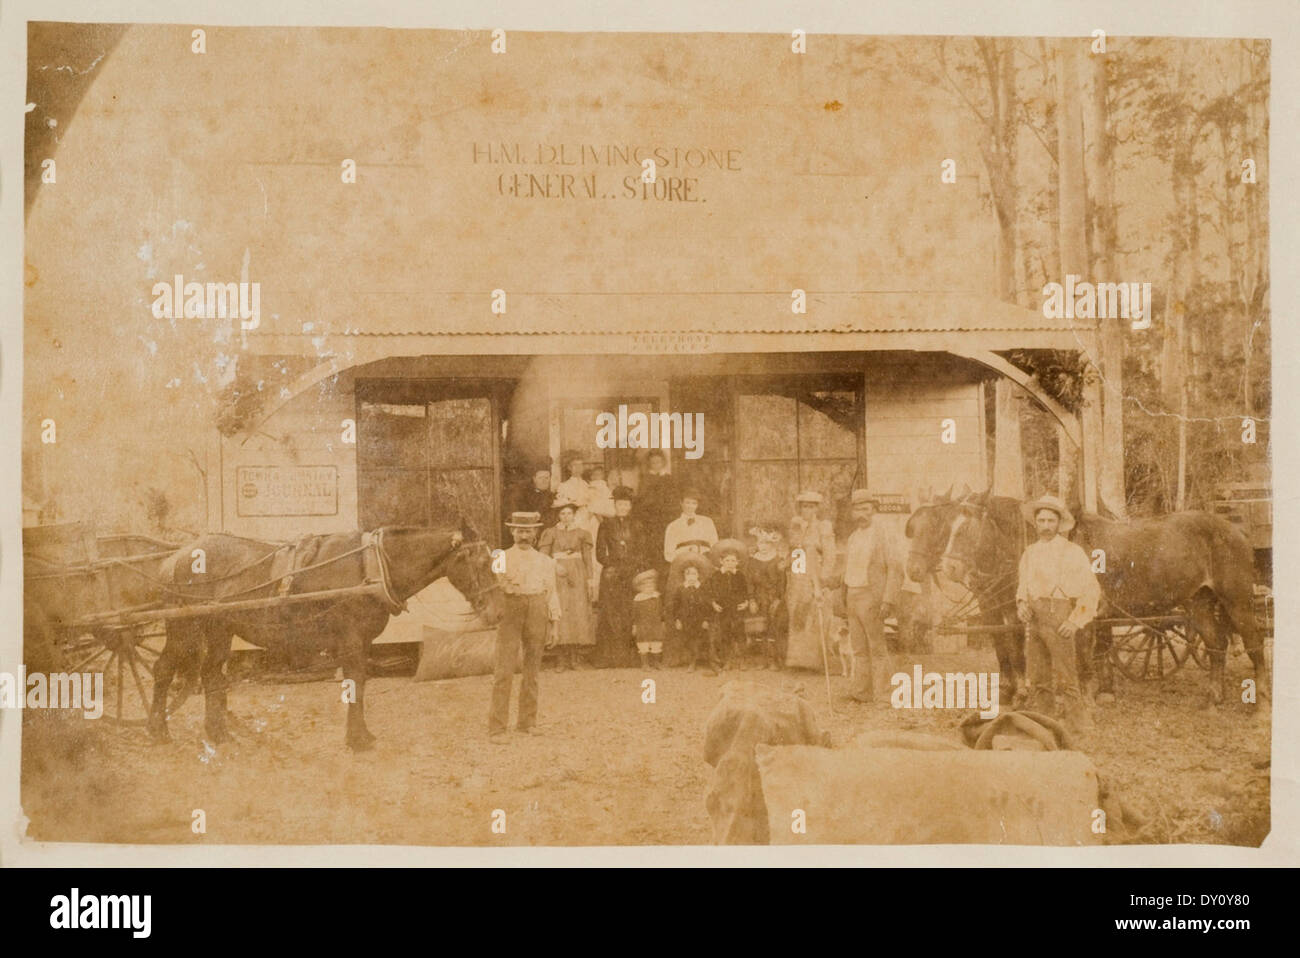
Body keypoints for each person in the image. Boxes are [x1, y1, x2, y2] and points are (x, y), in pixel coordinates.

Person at [1015, 495, 1101, 735]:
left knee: (1066, 676)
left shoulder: (1072, 552)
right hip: (1034, 617)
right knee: (1039, 675)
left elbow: (1091, 590)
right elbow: (1023, 585)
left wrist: (1075, 620)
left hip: (1059, 615)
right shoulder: (1029, 553)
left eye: (1050, 521)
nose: (1045, 525)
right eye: (1041, 520)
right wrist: (1021, 603)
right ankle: (1044, 721)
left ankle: (1079, 723)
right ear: (1036, 523)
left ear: (1059, 523)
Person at [489, 512, 561, 744]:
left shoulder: (545, 561)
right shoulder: (500, 556)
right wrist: (505, 586)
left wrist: (555, 625)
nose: (524, 535)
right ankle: (497, 728)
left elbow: (552, 593)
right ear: (512, 532)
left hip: (537, 608)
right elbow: (493, 586)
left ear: (535, 533)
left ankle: (527, 722)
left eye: (528, 531)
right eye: (519, 530)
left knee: (532, 669)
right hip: (511, 610)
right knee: (504, 668)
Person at [840, 490, 903, 704]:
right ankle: (861, 692)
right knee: (858, 648)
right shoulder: (852, 537)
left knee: (876, 647)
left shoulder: (883, 535)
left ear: (873, 510)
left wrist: (888, 599)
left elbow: (895, 568)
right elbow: (846, 569)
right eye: (857, 509)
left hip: (871, 596)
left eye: (865, 509)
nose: (861, 514)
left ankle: (884, 693)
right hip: (852, 595)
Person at [539, 499, 595, 670]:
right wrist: (555, 566)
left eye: (569, 513)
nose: (566, 517)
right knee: (561, 612)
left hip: (578, 575)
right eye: (562, 513)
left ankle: (575, 657)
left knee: (577, 613)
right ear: (558, 515)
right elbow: (543, 556)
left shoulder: (582, 533)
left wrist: (590, 581)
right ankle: (561, 658)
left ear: (574, 515)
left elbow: (587, 559)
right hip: (558, 575)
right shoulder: (551, 533)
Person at [785, 490, 838, 670]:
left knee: (814, 614)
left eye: (811, 507)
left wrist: (823, 579)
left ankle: (815, 661)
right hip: (796, 576)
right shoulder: (796, 526)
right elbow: (792, 551)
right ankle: (797, 661)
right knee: (797, 613)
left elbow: (830, 554)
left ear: (817, 509)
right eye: (804, 507)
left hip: (814, 575)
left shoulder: (823, 527)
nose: (807, 510)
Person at [595, 486, 643, 667]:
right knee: (610, 612)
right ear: (615, 505)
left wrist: (632, 565)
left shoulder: (637, 525)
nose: (623, 507)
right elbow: (600, 552)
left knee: (628, 611)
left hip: (630, 572)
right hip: (612, 573)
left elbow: (641, 550)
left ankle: (628, 658)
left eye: (626, 504)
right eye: (619, 504)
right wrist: (611, 564)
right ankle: (608, 658)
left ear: (630, 506)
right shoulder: (605, 524)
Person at [746, 520, 788, 670]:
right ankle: (763, 659)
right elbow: (749, 582)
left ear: (772, 545)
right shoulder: (753, 561)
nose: (763, 547)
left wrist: (778, 599)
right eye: (761, 543)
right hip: (759, 598)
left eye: (767, 544)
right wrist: (751, 599)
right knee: (760, 628)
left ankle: (775, 660)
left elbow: (782, 583)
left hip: (774, 598)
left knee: (774, 628)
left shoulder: (778, 560)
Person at [668, 559, 719, 674]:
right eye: (688, 574)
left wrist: (706, 620)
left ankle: (711, 663)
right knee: (690, 641)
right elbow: (676, 606)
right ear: (684, 576)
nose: (691, 577)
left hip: (700, 620)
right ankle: (693, 662)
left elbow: (708, 606)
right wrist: (677, 620)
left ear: (698, 576)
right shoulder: (680, 589)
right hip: (686, 620)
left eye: (694, 574)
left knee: (705, 640)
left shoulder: (703, 588)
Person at [709, 540, 752, 670]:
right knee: (725, 635)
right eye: (727, 561)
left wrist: (746, 602)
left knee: (740, 634)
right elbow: (710, 591)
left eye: (733, 561)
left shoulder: (740, 576)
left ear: (737, 562)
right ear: (721, 561)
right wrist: (713, 603)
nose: (730, 563)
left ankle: (742, 660)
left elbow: (745, 591)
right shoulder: (716, 576)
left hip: (737, 608)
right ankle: (727, 660)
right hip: (723, 609)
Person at [637, 450, 678, 557]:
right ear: (649, 464)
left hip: (666, 514)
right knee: (653, 541)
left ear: (663, 463)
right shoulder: (646, 479)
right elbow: (642, 498)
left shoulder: (668, 478)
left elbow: (673, 496)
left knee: (667, 539)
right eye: (653, 463)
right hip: (651, 516)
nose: (656, 465)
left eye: (658, 462)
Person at [663, 488, 719, 563]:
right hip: (683, 562)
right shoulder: (673, 526)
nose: (690, 506)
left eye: (694, 503)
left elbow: (715, 545)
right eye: (687, 502)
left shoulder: (707, 522)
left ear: (697, 505)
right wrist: (683, 558)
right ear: (681, 503)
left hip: (705, 560)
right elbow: (668, 554)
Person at [631, 569, 666, 669]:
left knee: (656, 644)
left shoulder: (656, 597)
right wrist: (634, 626)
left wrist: (662, 622)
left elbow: (661, 611)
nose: (649, 588)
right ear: (640, 588)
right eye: (646, 586)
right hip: (643, 625)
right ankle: (645, 664)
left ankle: (656, 662)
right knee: (643, 645)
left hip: (655, 625)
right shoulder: (638, 599)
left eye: (651, 586)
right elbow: (634, 614)